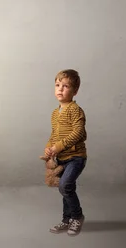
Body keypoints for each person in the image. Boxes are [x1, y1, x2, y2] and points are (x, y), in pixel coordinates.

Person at [44, 69, 88, 236]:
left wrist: (59, 146)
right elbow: (54, 134)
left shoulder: (76, 110)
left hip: (76, 157)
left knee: (65, 186)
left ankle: (77, 216)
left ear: (75, 91)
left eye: (66, 86)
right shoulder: (55, 113)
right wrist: (49, 147)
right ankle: (66, 219)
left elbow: (78, 133)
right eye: (57, 85)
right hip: (62, 158)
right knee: (65, 189)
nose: (60, 89)